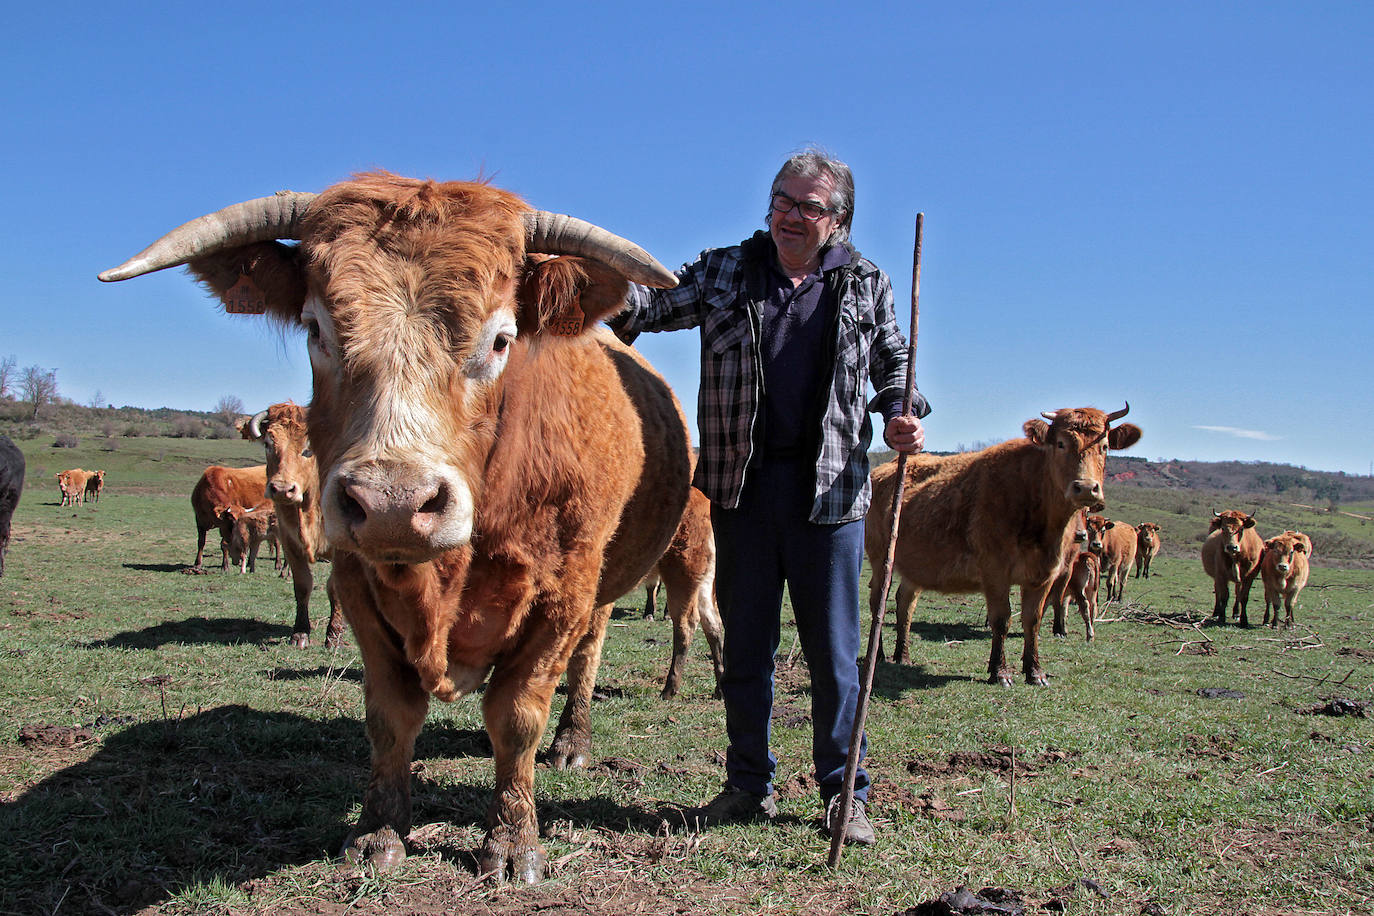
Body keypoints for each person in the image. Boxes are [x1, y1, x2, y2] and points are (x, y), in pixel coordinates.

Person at [612, 148, 929, 846]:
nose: (788, 215)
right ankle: (747, 784)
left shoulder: (866, 283)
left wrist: (903, 405)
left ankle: (845, 795)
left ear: (837, 220)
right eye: (781, 200)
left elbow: (893, 361)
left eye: (807, 207)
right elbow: (655, 305)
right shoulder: (727, 269)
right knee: (749, 648)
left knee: (836, 654)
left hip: (832, 491)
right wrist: (600, 288)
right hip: (742, 489)